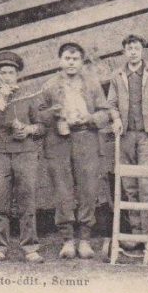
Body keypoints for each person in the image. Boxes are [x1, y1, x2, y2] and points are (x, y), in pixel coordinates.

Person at [37, 42, 112, 259]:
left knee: (88, 190)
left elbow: (105, 112)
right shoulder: (49, 86)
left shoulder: (92, 84)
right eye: (67, 59)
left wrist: (89, 118)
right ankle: (68, 240)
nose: (71, 63)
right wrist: (55, 113)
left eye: (75, 59)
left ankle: (85, 240)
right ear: (60, 61)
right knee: (63, 191)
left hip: (86, 138)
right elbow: (40, 116)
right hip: (58, 142)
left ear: (81, 61)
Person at [0, 51, 45, 263]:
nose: (7, 76)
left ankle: (30, 247)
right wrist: (2, 100)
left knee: (27, 200)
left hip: (25, 153)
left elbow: (42, 127)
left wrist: (28, 129)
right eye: (3, 72)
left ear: (18, 75)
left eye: (11, 72)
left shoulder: (29, 96)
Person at [106, 34, 148, 243]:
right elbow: (111, 103)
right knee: (129, 183)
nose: (133, 52)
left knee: (145, 182)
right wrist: (116, 119)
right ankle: (135, 232)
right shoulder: (117, 75)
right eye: (129, 48)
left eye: (136, 48)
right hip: (125, 134)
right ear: (124, 52)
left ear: (142, 50)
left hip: (147, 134)